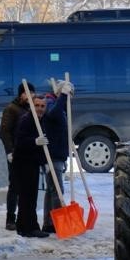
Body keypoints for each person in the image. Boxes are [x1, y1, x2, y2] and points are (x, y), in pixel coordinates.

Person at [12, 94, 50, 238]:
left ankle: (24, 226)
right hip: (23, 164)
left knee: (30, 196)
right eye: (37, 105)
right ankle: (29, 227)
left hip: (33, 163)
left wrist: (43, 162)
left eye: (42, 106)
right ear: (31, 106)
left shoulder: (40, 121)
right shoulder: (26, 120)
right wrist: (34, 141)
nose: (40, 109)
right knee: (27, 196)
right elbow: (20, 142)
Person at [39, 81, 73, 234]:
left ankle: (48, 223)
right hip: (53, 155)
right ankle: (57, 224)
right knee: (58, 191)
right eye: (69, 94)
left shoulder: (57, 105)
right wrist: (63, 96)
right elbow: (54, 113)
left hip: (57, 154)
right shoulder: (51, 103)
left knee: (52, 190)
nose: (70, 98)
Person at [0, 84, 33, 231]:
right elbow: (4, 132)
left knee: (27, 187)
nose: (30, 96)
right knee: (15, 187)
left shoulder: (30, 109)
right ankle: (10, 219)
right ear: (21, 95)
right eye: (27, 93)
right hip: (16, 154)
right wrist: (10, 151)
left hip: (28, 154)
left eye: (32, 93)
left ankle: (23, 217)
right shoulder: (11, 109)